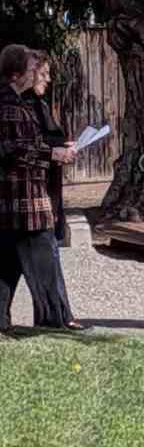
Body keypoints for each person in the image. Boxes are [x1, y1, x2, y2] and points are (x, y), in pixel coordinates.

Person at [0, 44, 77, 330]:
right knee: (43, 263)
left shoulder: (18, 102)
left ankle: (3, 321)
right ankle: (54, 322)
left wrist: (56, 149)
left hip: (23, 199)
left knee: (7, 266)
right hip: (23, 201)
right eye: (33, 69)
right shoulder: (8, 105)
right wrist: (53, 154)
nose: (36, 75)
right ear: (16, 74)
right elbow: (13, 149)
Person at [24, 50, 84, 329]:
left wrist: (62, 147)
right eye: (44, 73)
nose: (48, 79)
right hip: (30, 194)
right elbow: (22, 148)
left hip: (44, 188)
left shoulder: (39, 104)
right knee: (44, 254)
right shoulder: (21, 106)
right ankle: (57, 317)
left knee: (43, 254)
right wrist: (55, 152)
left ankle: (59, 315)